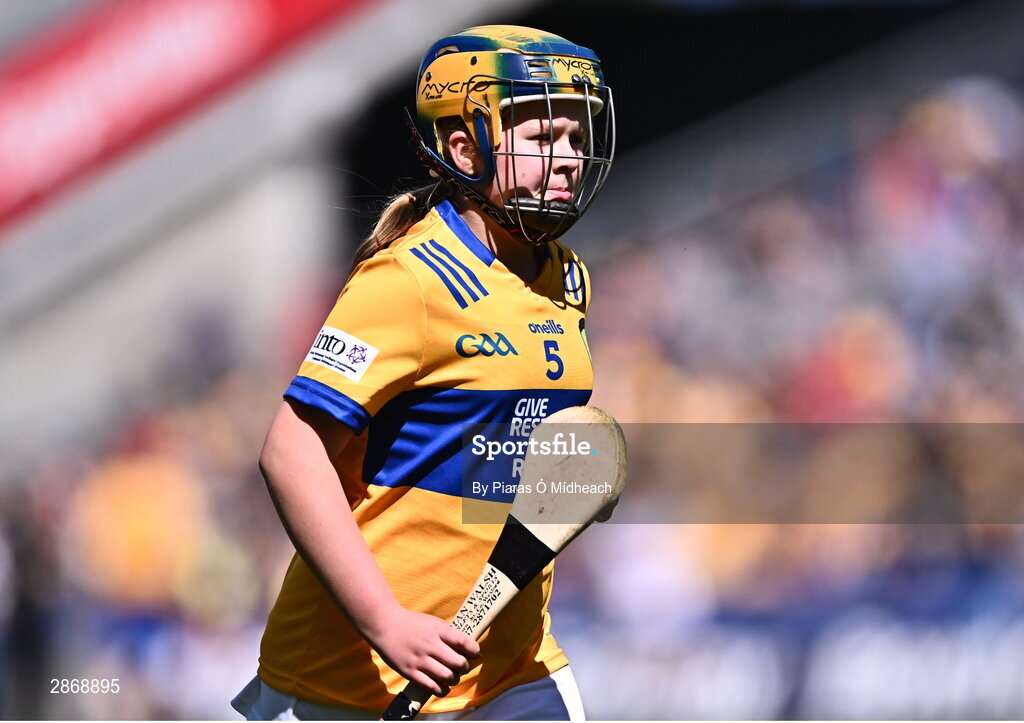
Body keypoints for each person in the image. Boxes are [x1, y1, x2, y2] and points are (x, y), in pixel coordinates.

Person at [231, 24, 615, 721]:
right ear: (465, 148)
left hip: (512, 668)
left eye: (575, 134)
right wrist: (387, 623)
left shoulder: (569, 278)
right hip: (353, 681)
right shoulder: (408, 280)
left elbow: (505, 446)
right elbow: (291, 453)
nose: (568, 158)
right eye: (542, 136)